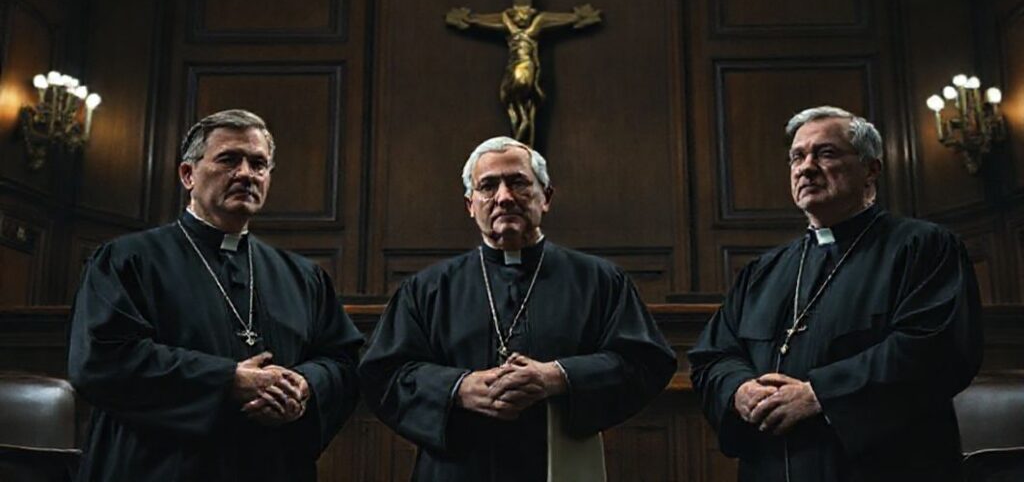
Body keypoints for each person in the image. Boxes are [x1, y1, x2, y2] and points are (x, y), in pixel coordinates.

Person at [688, 106, 983, 481]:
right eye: (797, 157)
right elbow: (713, 356)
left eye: (825, 153)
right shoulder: (763, 271)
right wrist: (739, 391)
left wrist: (820, 395)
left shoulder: (923, 247)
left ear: (870, 170)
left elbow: (937, 348)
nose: (806, 168)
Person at [67, 109, 363, 481]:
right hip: (157, 466)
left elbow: (342, 361)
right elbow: (102, 360)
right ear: (188, 174)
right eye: (228, 160)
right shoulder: (128, 260)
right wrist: (226, 380)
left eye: (258, 164)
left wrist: (304, 387)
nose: (246, 173)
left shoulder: (303, 276)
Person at [358, 136, 676, 481]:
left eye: (519, 183)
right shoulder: (427, 289)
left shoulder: (600, 281)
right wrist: (457, 388)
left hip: (559, 465)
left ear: (546, 197)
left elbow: (646, 362)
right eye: (488, 186)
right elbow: (383, 375)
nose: (504, 197)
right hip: (457, 468)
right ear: (470, 204)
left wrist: (557, 377)